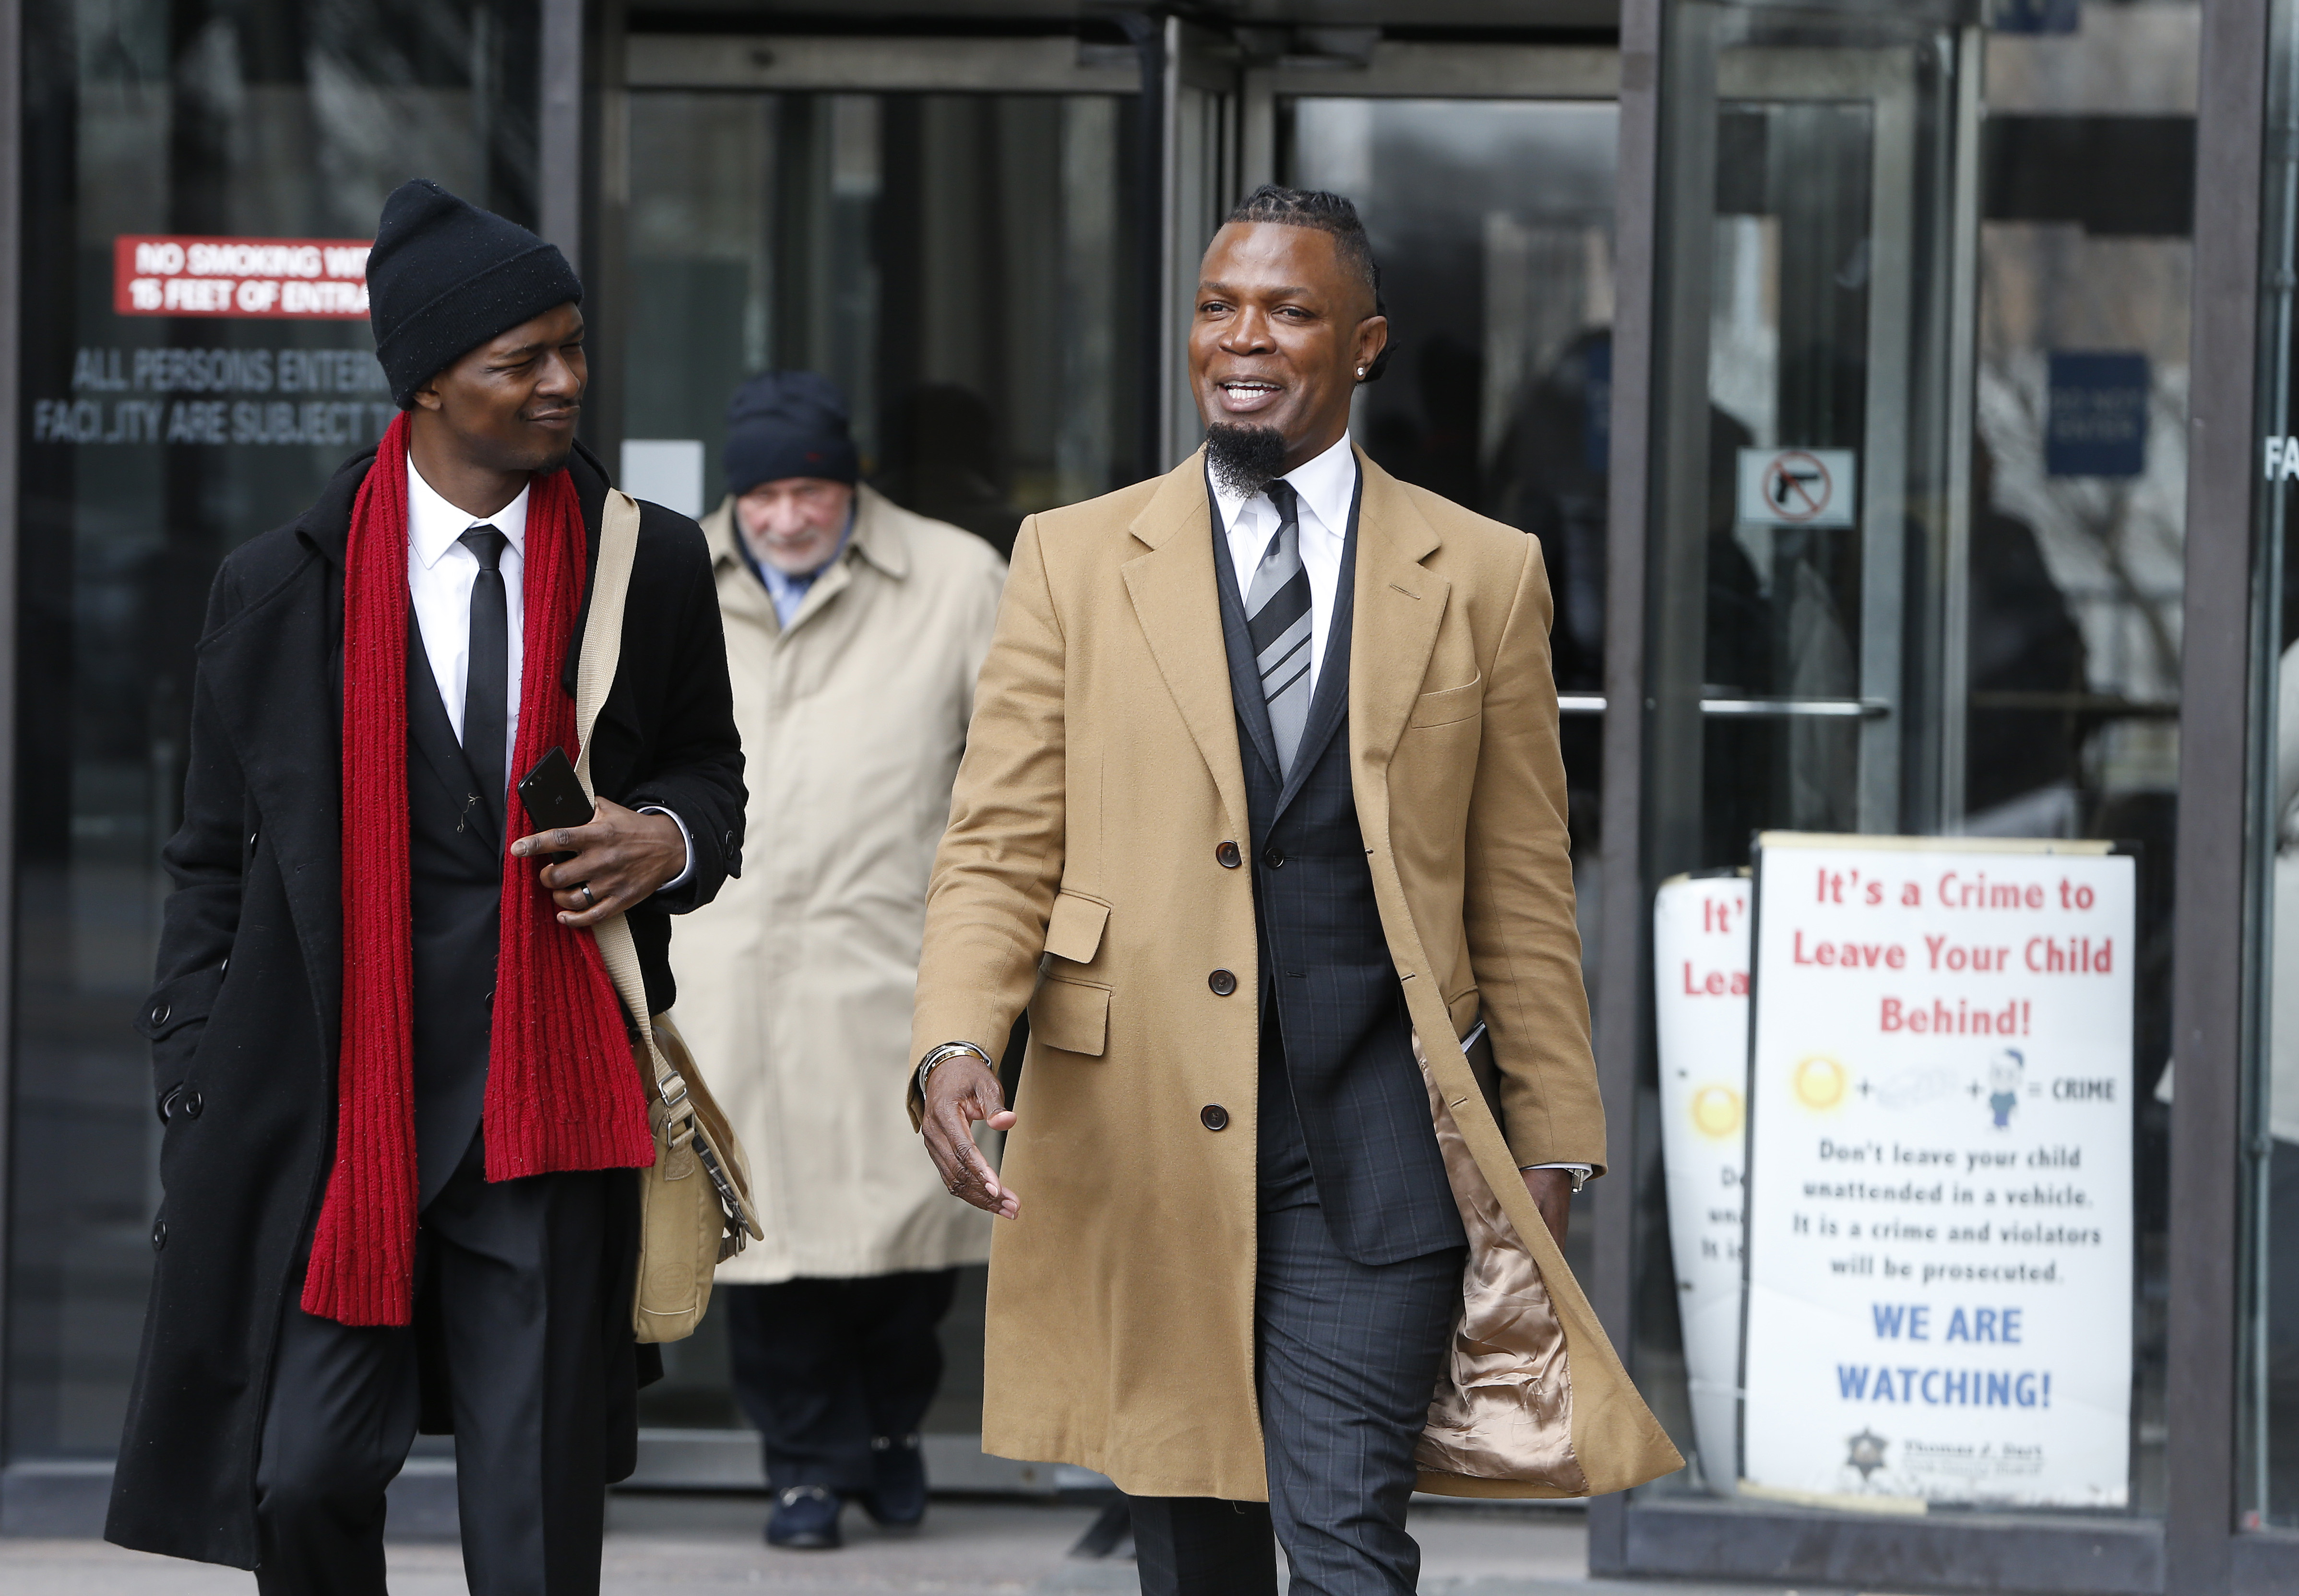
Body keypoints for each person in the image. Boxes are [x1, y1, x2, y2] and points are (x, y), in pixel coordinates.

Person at [910, 184, 1678, 1595]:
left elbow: (1521, 884)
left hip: (1377, 1147)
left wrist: (1553, 1135)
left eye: (1288, 309)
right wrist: (957, 1039)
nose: (1242, 338)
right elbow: (999, 841)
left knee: (1345, 1544)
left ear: (1365, 344)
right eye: (1218, 307)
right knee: (1194, 1553)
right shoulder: (1071, 558)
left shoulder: (1483, 572)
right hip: (1139, 1129)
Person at [103, 178, 746, 1595]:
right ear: (429, 383)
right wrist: (190, 1073)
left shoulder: (648, 562)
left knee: (534, 1521)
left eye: (573, 346)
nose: (565, 380)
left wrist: (666, 838)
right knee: (299, 1476)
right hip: (337, 1109)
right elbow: (208, 858)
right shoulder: (280, 587)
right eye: (525, 358)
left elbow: (712, 775)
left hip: (548, 1103)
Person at [669, 371, 1004, 1550]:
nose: (786, 518)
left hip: (891, 959)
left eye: (809, 492)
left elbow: (1015, 767)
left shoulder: (956, 577)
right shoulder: (672, 574)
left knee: (906, 1234)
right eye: (761, 498)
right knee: (766, 1244)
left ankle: (891, 1427)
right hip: (728, 963)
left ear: (851, 484)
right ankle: (803, 1464)